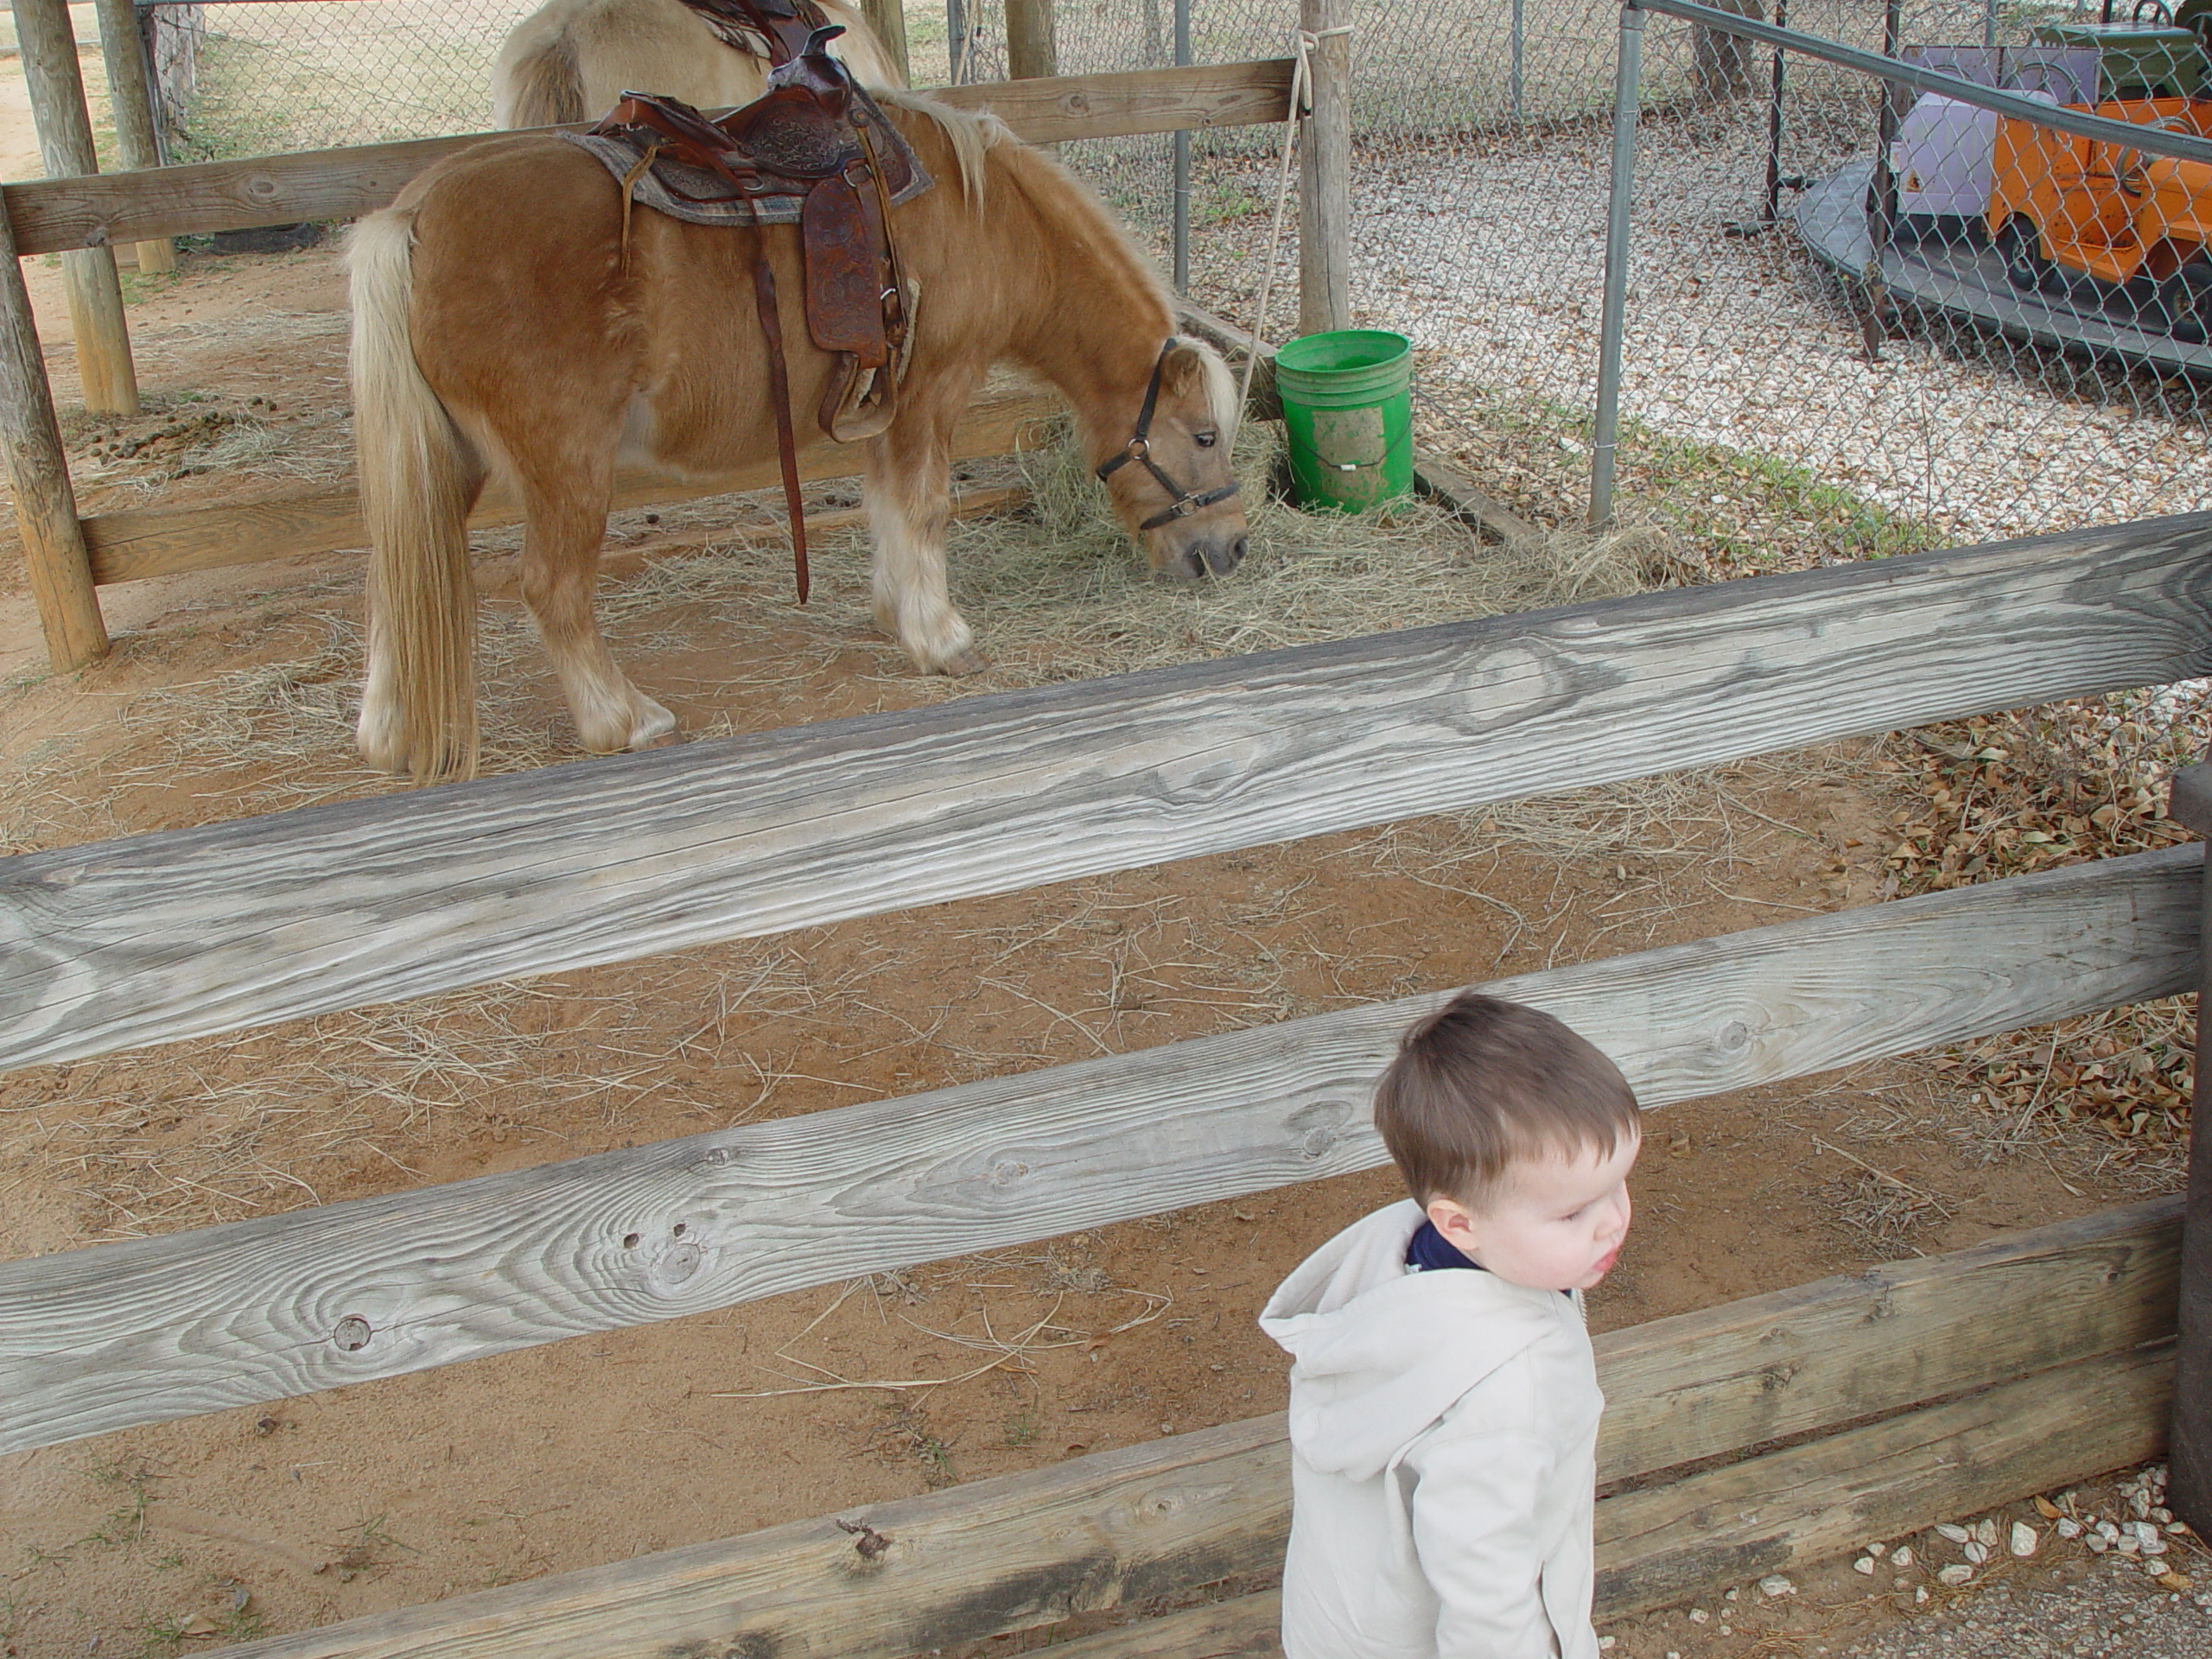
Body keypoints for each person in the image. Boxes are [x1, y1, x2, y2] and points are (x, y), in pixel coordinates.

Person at [1259, 992, 1641, 1659]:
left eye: (1618, 1185)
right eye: (1574, 1212)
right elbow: (1489, 1605)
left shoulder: (1392, 1275)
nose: (1612, 1221)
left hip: (1348, 1623)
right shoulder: (1502, 1398)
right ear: (1459, 1222)